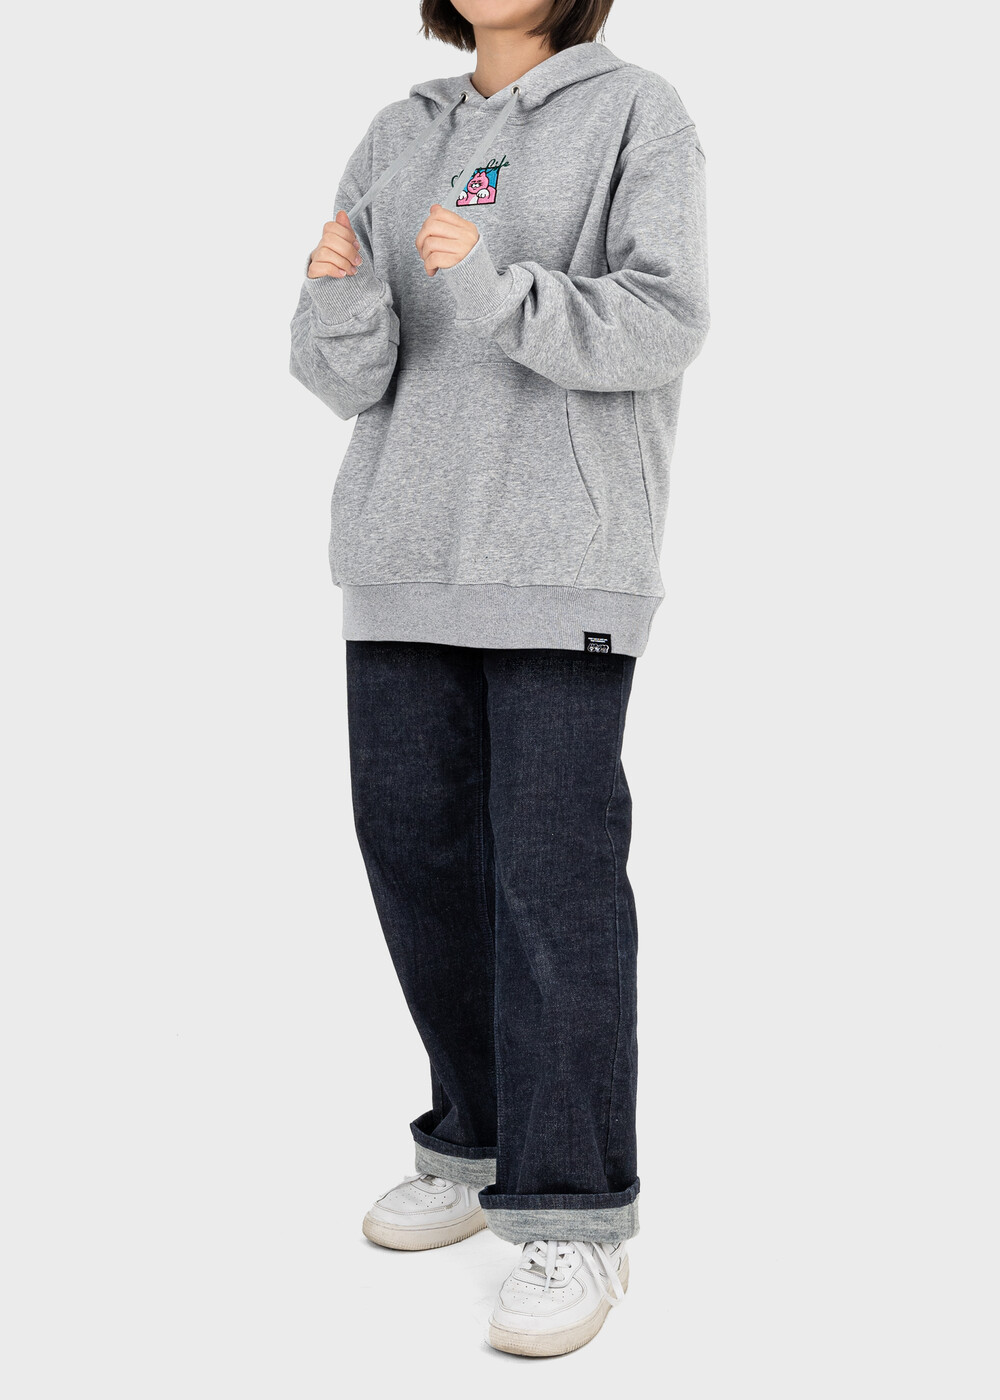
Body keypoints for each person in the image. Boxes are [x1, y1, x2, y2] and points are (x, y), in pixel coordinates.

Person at [289, 0, 709, 1357]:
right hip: (399, 556)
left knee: (552, 882)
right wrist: (340, 291)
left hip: (561, 562)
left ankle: (575, 1212)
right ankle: (473, 1145)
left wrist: (497, 285)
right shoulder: (397, 132)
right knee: (414, 859)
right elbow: (344, 375)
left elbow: (663, 323)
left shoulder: (636, 113)